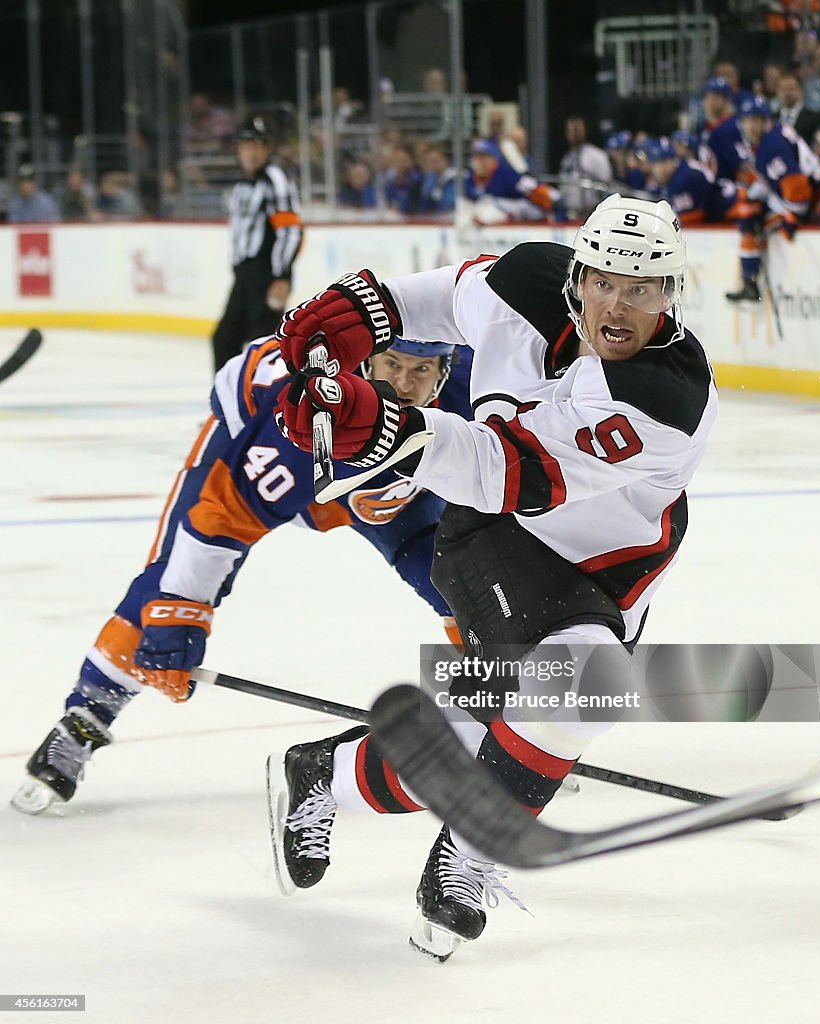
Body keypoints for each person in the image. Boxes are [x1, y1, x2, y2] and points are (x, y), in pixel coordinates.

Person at [271, 194, 718, 958]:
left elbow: (507, 466)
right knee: (581, 689)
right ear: (577, 273)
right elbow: (447, 299)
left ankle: (326, 772)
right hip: (495, 535)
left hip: (608, 569)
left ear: (670, 295)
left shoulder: (661, 397)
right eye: (605, 281)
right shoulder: (527, 280)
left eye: (641, 290)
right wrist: (368, 310)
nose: (617, 306)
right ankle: (471, 850)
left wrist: (386, 428)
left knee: (492, 733)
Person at [12, 336, 473, 816]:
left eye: (421, 371)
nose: (402, 384)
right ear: (367, 359)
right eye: (392, 364)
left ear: (445, 369)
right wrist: (181, 609)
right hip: (259, 447)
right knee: (165, 595)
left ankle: (499, 722)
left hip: (385, 482)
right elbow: (224, 517)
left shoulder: (473, 387)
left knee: (469, 587)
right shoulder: (305, 418)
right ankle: (84, 720)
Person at [211, 117, 303, 373]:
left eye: (259, 145)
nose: (253, 152)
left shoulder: (274, 180)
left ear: (267, 149)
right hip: (245, 275)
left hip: (266, 274)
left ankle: (264, 409)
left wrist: (281, 275)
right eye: (247, 145)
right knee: (224, 340)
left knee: (263, 347)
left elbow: (291, 230)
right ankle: (229, 407)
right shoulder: (242, 186)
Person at [725, 97, 820, 303]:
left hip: (817, 200)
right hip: (816, 191)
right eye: (748, 120)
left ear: (766, 121)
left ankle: (750, 281)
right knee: (750, 207)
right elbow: (778, 182)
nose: (752, 126)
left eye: (757, 120)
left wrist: (791, 217)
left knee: (750, 217)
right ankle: (750, 279)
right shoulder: (771, 137)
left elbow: (797, 188)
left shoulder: (770, 146)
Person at [558, 116, 612, 218]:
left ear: (585, 131)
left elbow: (606, 186)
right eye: (571, 130)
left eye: (577, 129)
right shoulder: (567, 158)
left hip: (592, 214)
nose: (575, 133)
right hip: (570, 214)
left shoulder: (597, 155)